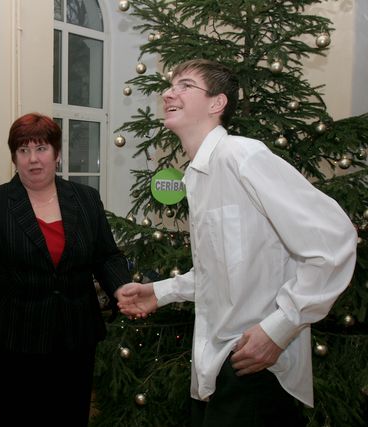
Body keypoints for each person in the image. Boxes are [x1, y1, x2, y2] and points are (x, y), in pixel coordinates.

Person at [116, 59, 357, 426]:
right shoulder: (196, 177)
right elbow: (222, 270)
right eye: (170, 86)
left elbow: (334, 239)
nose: (168, 94)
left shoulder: (242, 156)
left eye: (184, 85)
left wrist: (279, 329)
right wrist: (159, 292)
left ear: (217, 103)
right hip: (216, 367)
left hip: (256, 366)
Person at [0, 113, 132, 426]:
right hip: (11, 343)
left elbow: (106, 255)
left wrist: (122, 288)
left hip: (73, 339)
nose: (33, 159)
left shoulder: (85, 198)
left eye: (41, 148)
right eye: (23, 150)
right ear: (13, 158)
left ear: (57, 154)